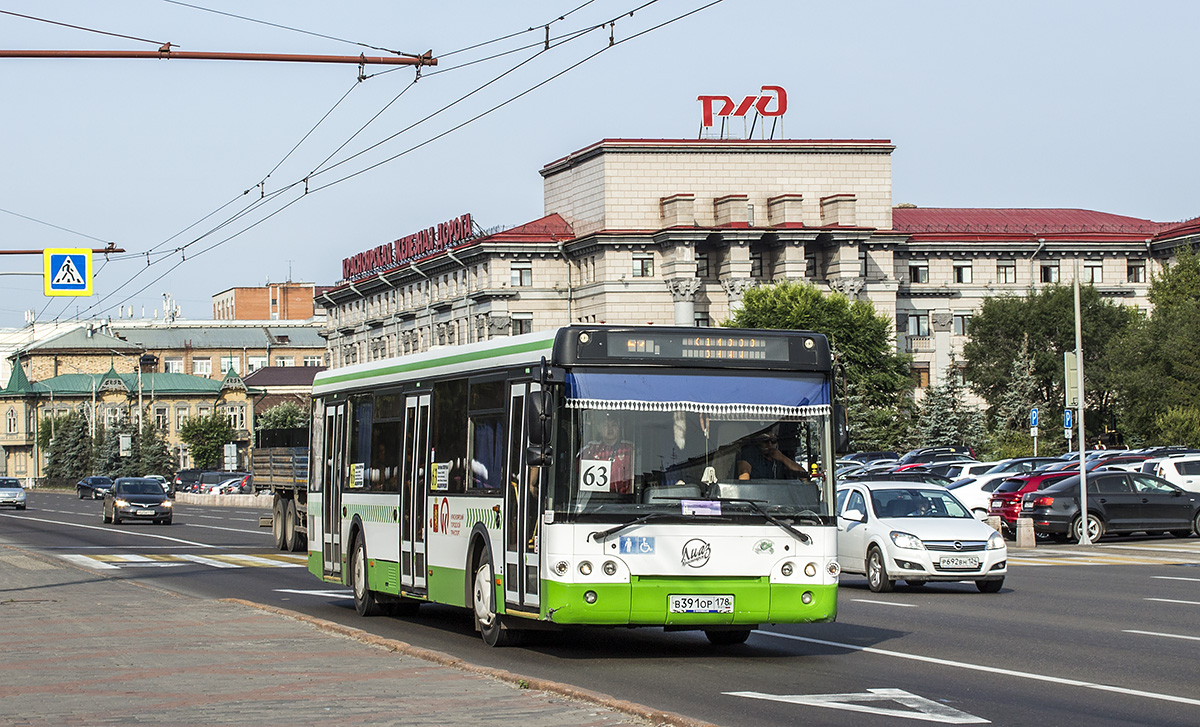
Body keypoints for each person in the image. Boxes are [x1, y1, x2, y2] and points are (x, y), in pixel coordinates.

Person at [578, 412, 635, 494]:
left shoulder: (628, 449)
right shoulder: (591, 449)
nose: (610, 429)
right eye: (605, 425)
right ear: (599, 428)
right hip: (597, 498)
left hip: (623, 499)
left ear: (619, 428)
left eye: (614, 425)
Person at [736, 430, 804, 480]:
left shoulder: (780, 458)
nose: (770, 445)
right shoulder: (750, 453)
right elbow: (744, 474)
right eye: (765, 441)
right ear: (759, 442)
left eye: (773, 441)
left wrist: (783, 458)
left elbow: (802, 473)